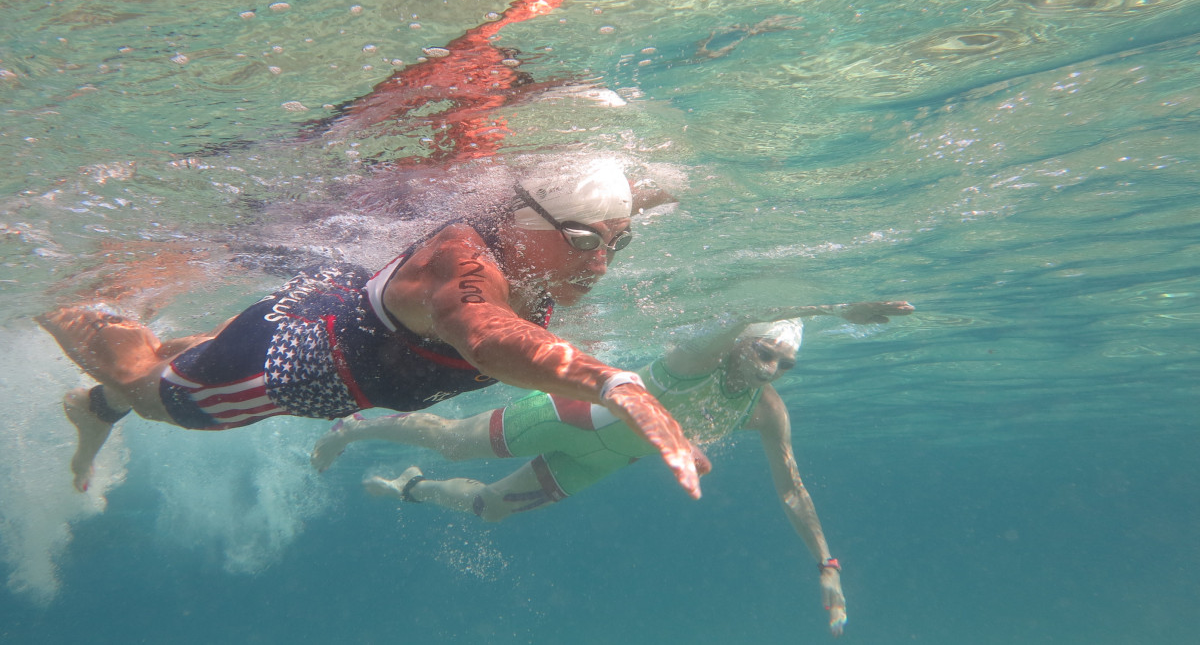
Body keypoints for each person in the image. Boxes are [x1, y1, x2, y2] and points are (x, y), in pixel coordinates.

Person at [36, 158, 708, 500]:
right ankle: (45, 295)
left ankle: (92, 407)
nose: (599, 262)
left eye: (617, 245)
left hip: (330, 301)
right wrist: (612, 384)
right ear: (526, 226)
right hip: (279, 369)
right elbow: (485, 336)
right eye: (585, 239)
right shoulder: (466, 268)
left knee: (188, 351)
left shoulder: (528, 241)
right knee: (153, 385)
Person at [311, 300, 914, 637]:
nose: (771, 368)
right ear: (741, 343)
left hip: (601, 460)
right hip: (569, 415)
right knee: (452, 441)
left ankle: (410, 488)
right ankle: (357, 427)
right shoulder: (700, 357)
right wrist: (838, 308)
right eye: (765, 351)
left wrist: (827, 564)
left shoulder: (766, 409)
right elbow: (750, 309)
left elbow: (792, 489)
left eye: (785, 363)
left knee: (491, 509)